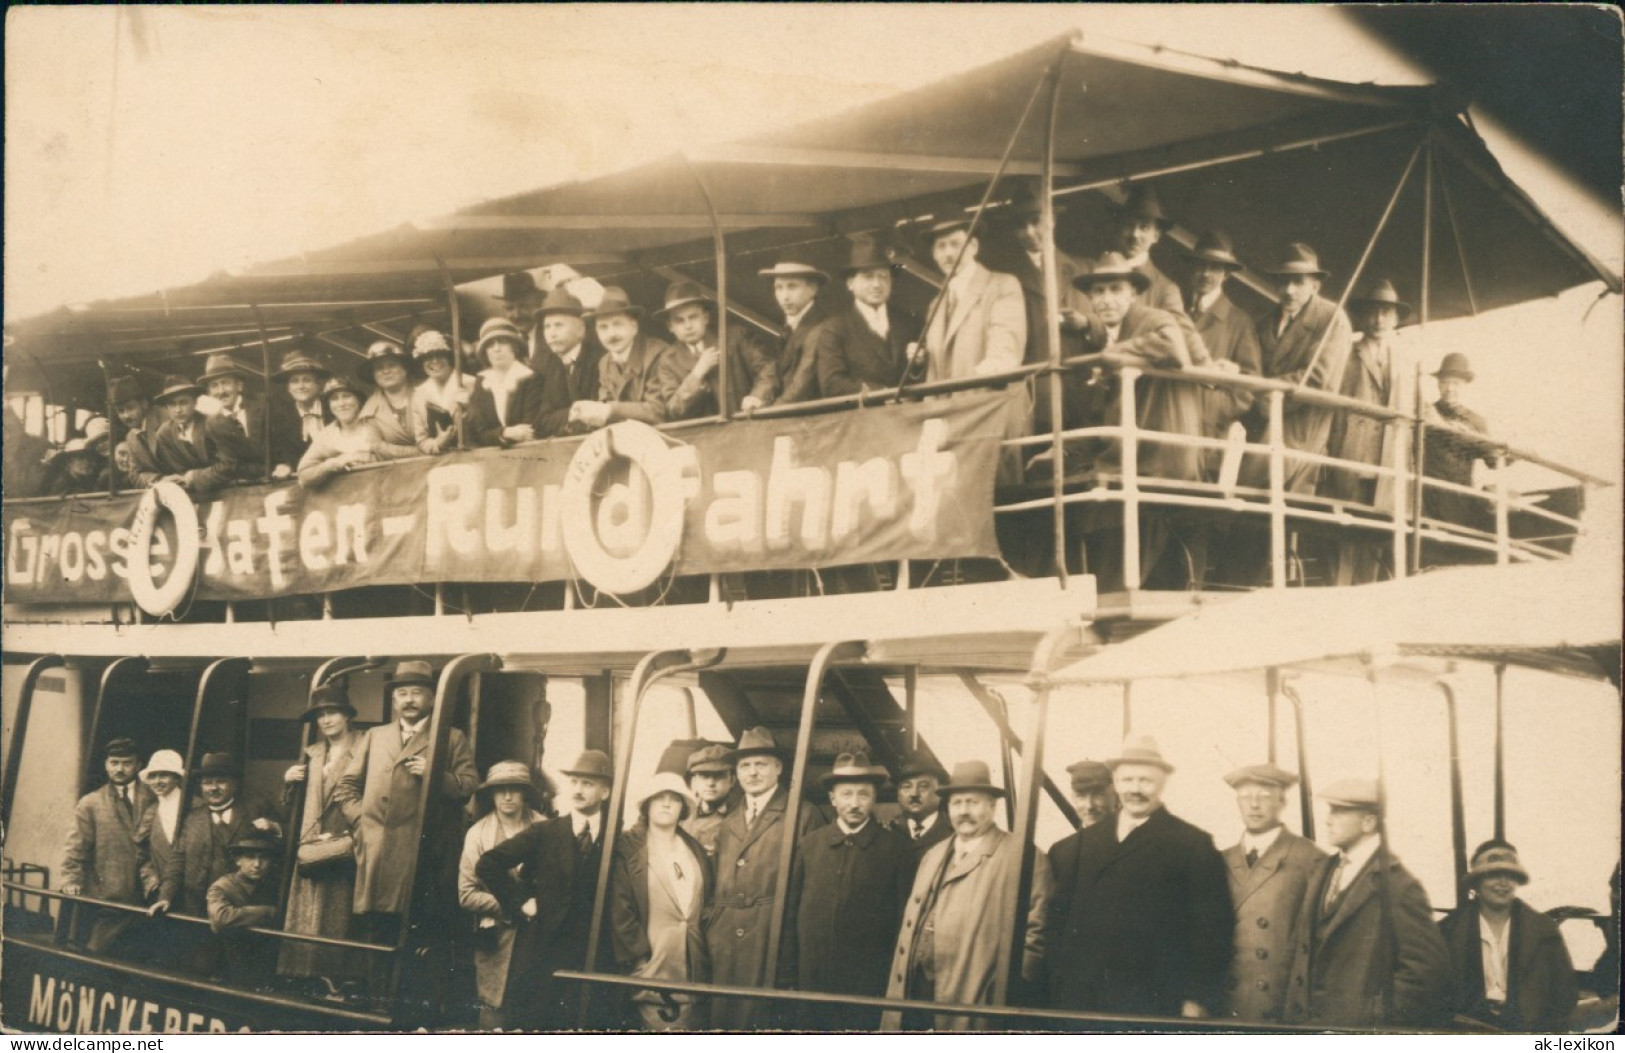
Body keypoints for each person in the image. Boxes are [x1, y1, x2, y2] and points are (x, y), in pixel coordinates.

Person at [1046, 735, 1232, 1021]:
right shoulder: (1083, 844)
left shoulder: (1192, 844)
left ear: (1162, 783)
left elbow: (1212, 931)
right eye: (1128, 780)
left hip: (1154, 1003)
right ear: (1116, 783)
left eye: (1145, 781)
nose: (1135, 789)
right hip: (1084, 1000)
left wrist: (1197, 998)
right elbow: (1059, 921)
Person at [336, 660, 478, 993]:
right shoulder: (376, 736)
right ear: (394, 700)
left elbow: (470, 785)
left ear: (431, 698)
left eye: (417, 692)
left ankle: (411, 1003)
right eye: (402, 693)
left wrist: (434, 775)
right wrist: (364, 823)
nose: (409, 700)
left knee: (419, 928)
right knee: (376, 927)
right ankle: (376, 997)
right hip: (377, 851)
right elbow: (345, 788)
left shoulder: (451, 737)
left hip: (425, 854)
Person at [883, 760, 1050, 1032]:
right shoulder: (934, 854)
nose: (964, 811)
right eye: (957, 803)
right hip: (918, 991)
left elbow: (1036, 935)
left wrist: (1001, 992)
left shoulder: (1021, 856)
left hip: (973, 996)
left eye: (972, 802)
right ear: (947, 808)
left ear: (991, 807)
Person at [1284, 778, 1449, 1028]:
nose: (1328, 819)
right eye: (1330, 810)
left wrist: (1375, 1018)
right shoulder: (1321, 871)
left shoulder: (1399, 885)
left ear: (1369, 822)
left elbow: (1426, 972)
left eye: (1338, 811)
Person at [476, 749, 617, 1030]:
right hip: (545, 952)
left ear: (605, 791)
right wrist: (522, 902)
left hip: (594, 953)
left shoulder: (617, 835)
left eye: (588, 783)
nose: (578, 789)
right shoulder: (547, 832)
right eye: (575, 782)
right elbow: (488, 864)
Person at [704, 726, 822, 1030]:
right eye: (745, 765)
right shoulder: (729, 822)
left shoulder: (803, 815)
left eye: (761, 764)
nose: (752, 772)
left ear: (779, 768)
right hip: (726, 941)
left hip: (772, 937)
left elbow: (812, 892)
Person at [785, 752, 911, 1030]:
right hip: (812, 981)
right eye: (846, 794)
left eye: (863, 795)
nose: (854, 803)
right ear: (832, 799)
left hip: (867, 984)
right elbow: (791, 915)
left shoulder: (895, 849)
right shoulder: (810, 845)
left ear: (875, 798)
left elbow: (903, 922)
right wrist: (790, 976)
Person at [149, 752, 281, 976]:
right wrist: (165, 897)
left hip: (242, 912)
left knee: (242, 973)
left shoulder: (255, 811)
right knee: (202, 971)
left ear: (234, 784)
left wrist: (274, 828)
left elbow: (280, 846)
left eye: (220, 781)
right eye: (207, 783)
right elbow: (177, 861)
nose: (213, 788)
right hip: (198, 911)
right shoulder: (191, 819)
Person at [1240, 243, 1355, 494]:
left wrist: (1263, 396)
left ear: (1315, 285)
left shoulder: (1331, 320)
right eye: (1283, 282)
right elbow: (1250, 370)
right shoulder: (1264, 323)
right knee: (1244, 504)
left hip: (1300, 435)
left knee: (1275, 509)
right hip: (1259, 429)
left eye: (1298, 282)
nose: (1289, 291)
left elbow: (1318, 379)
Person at [1218, 763, 1326, 1023]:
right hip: (1224, 1007)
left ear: (1282, 801)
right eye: (1246, 797)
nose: (1254, 805)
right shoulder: (1219, 860)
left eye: (1264, 797)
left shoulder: (1310, 859)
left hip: (1278, 1007)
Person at [278, 684, 366, 991]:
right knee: (307, 907)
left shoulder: (364, 747)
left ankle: (332, 977)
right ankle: (301, 972)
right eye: (321, 715)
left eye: (333, 713)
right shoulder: (313, 754)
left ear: (346, 716)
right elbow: (294, 806)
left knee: (337, 910)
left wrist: (347, 832)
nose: (326, 720)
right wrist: (289, 782)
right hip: (312, 843)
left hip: (345, 843)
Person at [610, 771, 713, 1031]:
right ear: (647, 806)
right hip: (652, 966)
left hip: (693, 966)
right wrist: (640, 957)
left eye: (674, 799)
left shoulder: (694, 849)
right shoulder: (629, 848)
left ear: (684, 808)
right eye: (659, 798)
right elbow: (620, 908)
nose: (666, 804)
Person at [1439, 841, 1577, 1032]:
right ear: (1476, 882)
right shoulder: (1447, 930)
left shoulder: (1545, 930)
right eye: (1493, 875)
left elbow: (1565, 993)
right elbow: (1435, 994)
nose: (1503, 883)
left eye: (1511, 875)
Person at [459, 761, 547, 1030]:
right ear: (492, 794)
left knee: (533, 1011)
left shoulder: (545, 828)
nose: (508, 796)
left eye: (515, 789)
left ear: (525, 793)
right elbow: (466, 894)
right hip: (496, 936)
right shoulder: (478, 834)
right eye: (500, 790)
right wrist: (513, 906)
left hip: (536, 936)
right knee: (493, 1014)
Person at [61, 737, 154, 954]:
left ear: (139, 765)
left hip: (148, 895)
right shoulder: (91, 803)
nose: (119, 769)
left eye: (127, 763)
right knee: (101, 953)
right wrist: (71, 878)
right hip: (111, 895)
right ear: (106, 765)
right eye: (114, 763)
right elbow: (75, 847)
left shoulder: (153, 796)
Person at [1181, 231, 1262, 458]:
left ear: (1226, 274)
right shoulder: (1177, 313)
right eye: (1200, 266)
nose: (1206, 274)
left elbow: (1248, 389)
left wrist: (1208, 409)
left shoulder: (1239, 322)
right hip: (1170, 422)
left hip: (1208, 436)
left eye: (1215, 267)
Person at [917, 218, 1027, 383]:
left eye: (955, 244)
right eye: (941, 246)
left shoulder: (1002, 286)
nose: (948, 253)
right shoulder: (935, 305)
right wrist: (919, 361)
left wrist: (994, 365)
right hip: (950, 407)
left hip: (988, 402)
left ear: (973, 246)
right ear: (934, 254)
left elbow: (1005, 342)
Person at [651, 280, 778, 420]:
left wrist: (757, 396)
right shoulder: (668, 361)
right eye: (680, 321)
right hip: (702, 437)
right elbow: (674, 410)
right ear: (670, 327)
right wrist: (697, 374)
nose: (688, 326)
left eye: (693, 317)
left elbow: (767, 368)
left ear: (705, 318)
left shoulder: (735, 338)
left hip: (746, 425)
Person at [815, 239, 922, 398]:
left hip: (908, 416)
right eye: (868, 276)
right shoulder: (833, 329)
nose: (877, 284)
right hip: (862, 419)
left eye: (883, 276)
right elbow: (832, 383)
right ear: (850, 283)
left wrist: (918, 366)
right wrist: (882, 394)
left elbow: (922, 376)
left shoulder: (909, 323)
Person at [569, 287, 672, 429]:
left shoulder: (658, 354)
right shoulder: (605, 363)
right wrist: (589, 412)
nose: (611, 334)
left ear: (634, 327)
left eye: (617, 324)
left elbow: (657, 411)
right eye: (603, 327)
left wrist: (609, 410)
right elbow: (606, 403)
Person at [465, 317, 570, 448]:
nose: (496, 349)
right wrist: (504, 433)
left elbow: (530, 430)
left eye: (503, 342)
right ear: (485, 351)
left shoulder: (531, 378)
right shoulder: (482, 382)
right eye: (490, 344)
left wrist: (495, 435)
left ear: (514, 347)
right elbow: (480, 433)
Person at [1422, 352, 1498, 529]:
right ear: (1438, 384)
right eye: (1444, 382)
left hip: (1458, 498)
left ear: (1465, 385)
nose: (1449, 388)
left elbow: (1493, 460)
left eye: (1455, 383)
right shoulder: (1424, 412)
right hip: (1426, 495)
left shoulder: (1474, 421)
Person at [198, 353, 294, 479]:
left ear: (239, 385)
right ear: (210, 392)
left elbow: (288, 440)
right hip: (249, 484)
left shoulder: (265, 404)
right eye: (214, 386)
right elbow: (231, 465)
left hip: (285, 475)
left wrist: (287, 464)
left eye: (225, 383)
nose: (221, 391)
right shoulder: (213, 424)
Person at [150, 374, 247, 496]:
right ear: (166, 408)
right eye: (172, 404)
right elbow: (178, 471)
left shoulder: (212, 424)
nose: (178, 410)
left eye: (183, 402)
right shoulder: (165, 434)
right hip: (195, 494)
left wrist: (193, 477)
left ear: (195, 402)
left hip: (232, 489)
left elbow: (229, 466)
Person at [205, 833, 281, 986]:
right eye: (251, 857)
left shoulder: (275, 886)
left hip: (263, 964)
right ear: (238, 860)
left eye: (263, 858)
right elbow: (221, 918)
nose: (257, 864)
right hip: (228, 964)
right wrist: (268, 912)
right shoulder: (222, 886)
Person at [135, 749, 187, 963]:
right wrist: (150, 877)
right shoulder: (151, 811)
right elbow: (141, 852)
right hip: (162, 893)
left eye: (163, 775)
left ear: (176, 777)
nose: (157, 781)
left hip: (193, 890)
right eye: (153, 776)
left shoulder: (195, 806)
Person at [758, 257, 833, 403]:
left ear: (813, 289)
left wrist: (769, 414)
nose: (785, 296)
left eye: (792, 287)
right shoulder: (789, 328)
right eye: (779, 288)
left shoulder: (822, 328)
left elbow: (801, 387)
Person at [532, 287, 603, 436]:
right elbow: (539, 421)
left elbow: (600, 410)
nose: (552, 333)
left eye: (559, 325)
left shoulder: (599, 360)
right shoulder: (543, 367)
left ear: (580, 330)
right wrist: (574, 413)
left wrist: (560, 416)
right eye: (547, 327)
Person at [296, 376, 383, 488]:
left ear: (359, 400)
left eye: (346, 396)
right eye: (334, 399)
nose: (341, 404)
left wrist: (364, 457)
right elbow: (304, 477)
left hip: (381, 489)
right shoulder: (327, 435)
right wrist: (334, 463)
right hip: (344, 496)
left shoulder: (376, 424)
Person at [409, 329, 475, 454]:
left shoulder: (471, 384)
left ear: (449, 357)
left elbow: (486, 428)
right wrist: (437, 443)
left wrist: (470, 408)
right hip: (441, 461)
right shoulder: (419, 395)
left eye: (440, 355)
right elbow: (422, 440)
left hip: (474, 454)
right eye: (427, 357)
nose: (434, 361)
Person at [357, 341, 426, 459]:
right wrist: (421, 452)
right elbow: (377, 446)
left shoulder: (426, 392)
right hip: (396, 470)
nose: (386, 371)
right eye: (379, 368)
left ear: (405, 369)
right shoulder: (369, 410)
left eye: (392, 365)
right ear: (373, 375)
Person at [271, 351, 331, 471]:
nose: (301, 386)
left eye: (307, 380)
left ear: (318, 384)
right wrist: (284, 466)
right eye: (295, 381)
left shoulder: (333, 408)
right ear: (288, 388)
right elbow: (280, 456)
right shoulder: (281, 419)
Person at [894, 754, 952, 875]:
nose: (914, 793)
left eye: (923, 786)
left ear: (939, 792)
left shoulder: (953, 834)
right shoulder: (890, 831)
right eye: (906, 787)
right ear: (898, 795)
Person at [680, 744, 740, 860]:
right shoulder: (682, 814)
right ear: (693, 783)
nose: (711, 783)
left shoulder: (740, 816)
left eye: (719, 776)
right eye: (704, 776)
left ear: (732, 781)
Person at [108, 376, 165, 489]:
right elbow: (135, 476)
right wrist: (161, 480)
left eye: (130, 408)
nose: (126, 416)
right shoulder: (131, 438)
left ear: (144, 404)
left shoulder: (165, 418)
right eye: (121, 411)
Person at [497, 271, 548, 360]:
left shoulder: (550, 337)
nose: (517, 315)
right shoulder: (508, 341)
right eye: (510, 308)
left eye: (524, 306)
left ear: (539, 305)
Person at [1063, 759, 1118, 829]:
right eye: (1081, 796)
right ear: (1073, 798)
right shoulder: (1075, 839)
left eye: (1098, 795)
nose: (1090, 806)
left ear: (1114, 796)